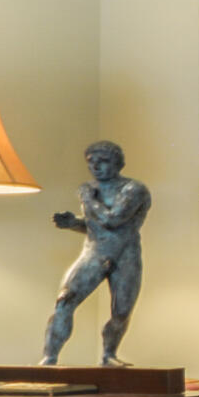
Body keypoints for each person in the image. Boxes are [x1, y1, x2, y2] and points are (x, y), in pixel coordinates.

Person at [41, 140, 150, 366]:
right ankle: (49, 358)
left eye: (104, 162)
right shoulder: (92, 190)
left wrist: (88, 198)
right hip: (94, 253)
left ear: (118, 164)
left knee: (121, 312)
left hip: (125, 256)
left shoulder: (133, 189)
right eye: (92, 162)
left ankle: (109, 355)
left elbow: (113, 219)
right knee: (64, 301)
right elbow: (96, 226)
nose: (97, 167)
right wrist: (73, 223)